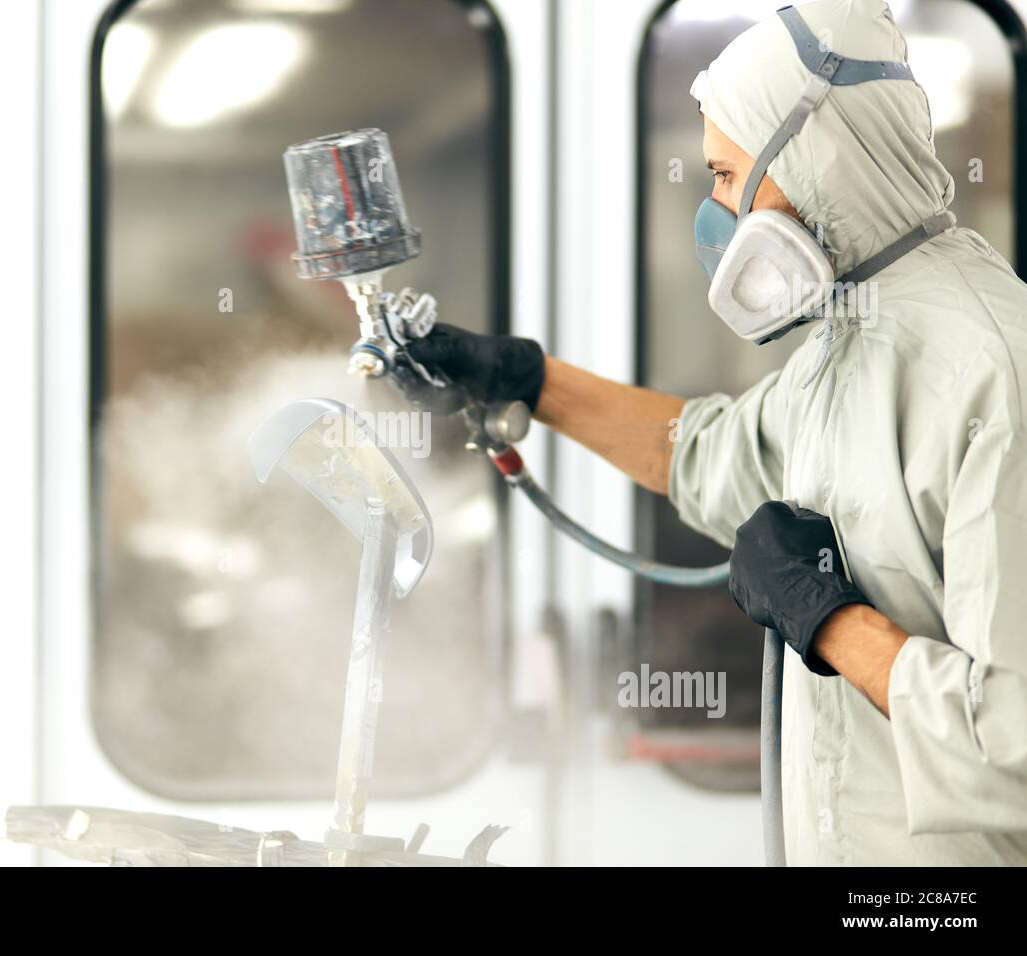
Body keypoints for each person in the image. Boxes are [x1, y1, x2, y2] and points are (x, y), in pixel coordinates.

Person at [390, 0, 1027, 865]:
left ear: (813, 158)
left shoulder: (993, 372)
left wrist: (830, 621)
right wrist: (528, 380)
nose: (717, 211)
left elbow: (1014, 750)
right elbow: (706, 455)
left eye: (727, 177)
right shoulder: (856, 334)